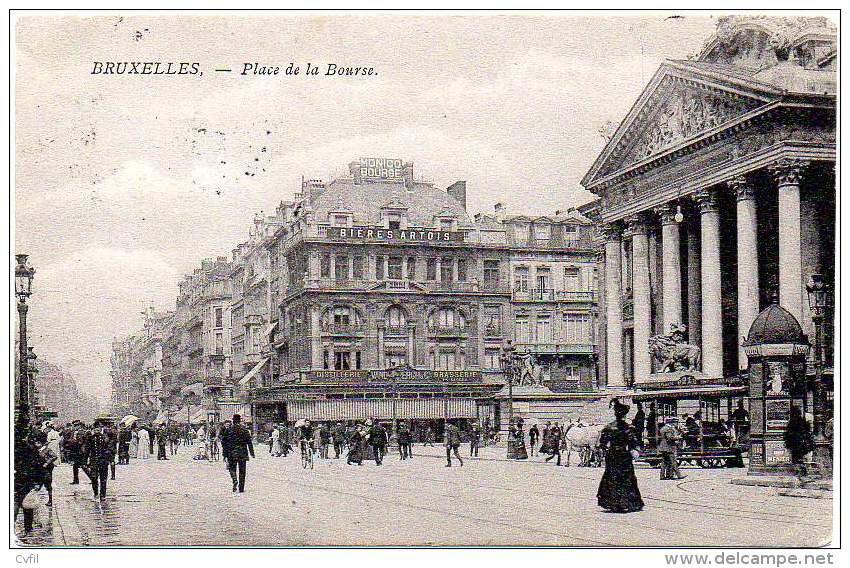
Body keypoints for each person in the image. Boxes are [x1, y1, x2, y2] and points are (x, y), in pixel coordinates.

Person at [597, 399, 644, 513]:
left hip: (612, 455)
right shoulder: (629, 428)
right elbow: (634, 443)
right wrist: (635, 450)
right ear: (624, 415)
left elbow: (602, 444)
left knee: (611, 477)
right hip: (624, 455)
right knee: (626, 478)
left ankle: (612, 503)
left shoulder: (608, 427)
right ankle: (625, 503)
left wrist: (605, 451)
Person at [224, 415, 254, 492]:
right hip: (242, 453)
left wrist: (225, 454)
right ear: (239, 421)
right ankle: (241, 488)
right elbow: (249, 442)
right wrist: (252, 453)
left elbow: (224, 443)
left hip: (231, 453)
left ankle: (234, 479)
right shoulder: (245, 430)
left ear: (233, 420)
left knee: (232, 468)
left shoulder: (228, 430)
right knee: (242, 471)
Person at [86, 423, 115, 500]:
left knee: (103, 479)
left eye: (98, 429)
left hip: (103, 461)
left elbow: (110, 449)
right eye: (95, 430)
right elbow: (87, 450)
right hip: (94, 460)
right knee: (94, 478)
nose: (96, 431)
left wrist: (110, 459)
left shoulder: (105, 438)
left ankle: (102, 495)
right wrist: (85, 461)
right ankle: (96, 492)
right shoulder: (90, 438)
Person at [784, 405, 814, 477]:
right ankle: (803, 472)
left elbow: (788, 434)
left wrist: (788, 444)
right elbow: (808, 432)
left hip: (796, 444)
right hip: (802, 444)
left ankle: (799, 473)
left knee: (797, 459)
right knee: (802, 458)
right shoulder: (803, 421)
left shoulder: (792, 422)